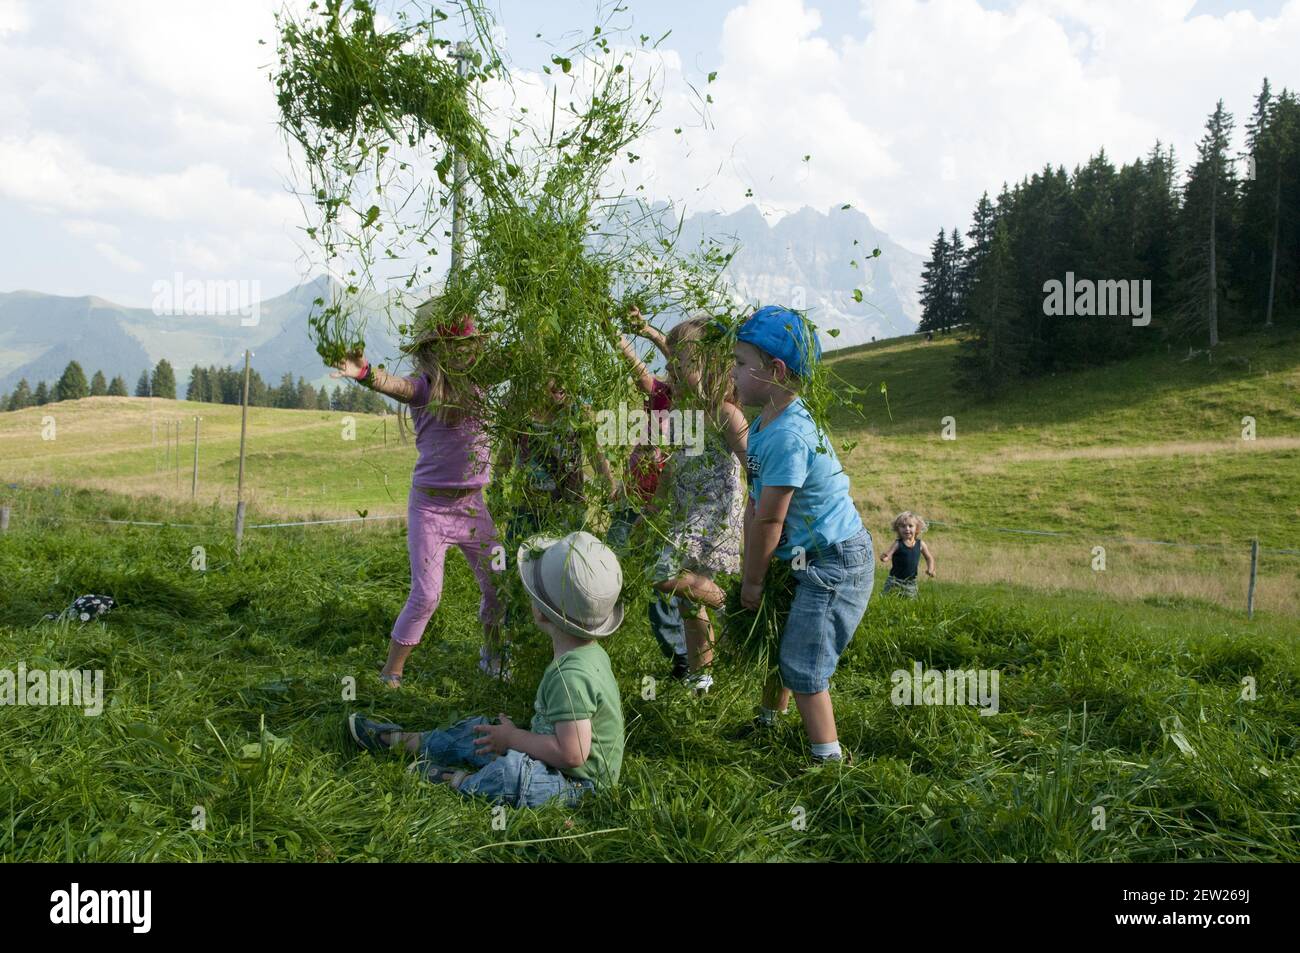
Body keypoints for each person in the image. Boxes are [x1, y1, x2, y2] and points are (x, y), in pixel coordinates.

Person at [347, 531, 625, 807]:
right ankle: (407, 742)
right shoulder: (587, 654)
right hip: (556, 760)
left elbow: (573, 754)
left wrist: (514, 738)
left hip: (579, 786)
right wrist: (510, 737)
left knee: (512, 773)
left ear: (540, 612)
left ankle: (462, 781)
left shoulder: (571, 677)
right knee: (483, 732)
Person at [333, 300, 505, 687]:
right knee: (427, 595)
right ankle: (391, 672)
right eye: (458, 346)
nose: (468, 351)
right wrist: (362, 372)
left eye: (471, 344)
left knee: (499, 585)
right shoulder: (424, 389)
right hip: (431, 509)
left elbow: (519, 358)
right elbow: (394, 385)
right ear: (436, 352)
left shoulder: (482, 383)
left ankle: (493, 659)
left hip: (474, 507)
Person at [733, 305, 873, 763]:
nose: (731, 372)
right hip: (805, 555)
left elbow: (772, 520)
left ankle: (828, 760)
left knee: (805, 660)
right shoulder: (764, 424)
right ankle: (768, 721)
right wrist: (751, 559)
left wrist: (752, 581)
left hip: (835, 562)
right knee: (782, 635)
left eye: (740, 364)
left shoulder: (790, 435)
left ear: (774, 371)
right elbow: (756, 502)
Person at [648, 316, 748, 695]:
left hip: (714, 514)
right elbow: (674, 466)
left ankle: (731, 607)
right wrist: (655, 507)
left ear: (709, 367)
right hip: (687, 510)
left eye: (680, 363)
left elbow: (750, 460)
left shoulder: (725, 413)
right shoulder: (686, 414)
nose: (670, 369)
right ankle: (700, 675)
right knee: (687, 599)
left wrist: (763, 498)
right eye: (669, 363)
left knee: (664, 573)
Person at [602, 308, 690, 678]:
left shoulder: (692, 406)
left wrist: (652, 334)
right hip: (633, 498)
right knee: (609, 562)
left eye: (679, 368)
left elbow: (680, 361)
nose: (671, 373)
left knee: (663, 586)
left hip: (665, 510)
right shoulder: (660, 395)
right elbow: (634, 363)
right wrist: (613, 332)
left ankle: (684, 656)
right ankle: (595, 632)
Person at [880, 511, 935, 598]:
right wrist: (884, 558)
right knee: (887, 598)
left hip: (911, 583)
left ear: (917, 528)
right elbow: (889, 554)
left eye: (910, 526)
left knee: (910, 602)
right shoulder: (898, 544)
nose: (907, 529)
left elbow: (929, 558)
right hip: (895, 580)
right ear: (898, 529)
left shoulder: (920, 544)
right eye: (903, 526)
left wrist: (930, 569)